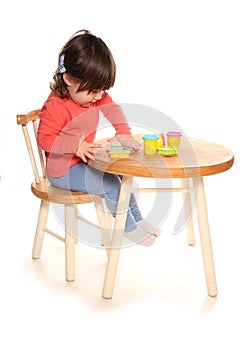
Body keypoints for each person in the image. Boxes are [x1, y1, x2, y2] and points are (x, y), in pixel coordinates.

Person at [37, 29, 161, 246]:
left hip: (84, 162)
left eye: (101, 91)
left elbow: (112, 109)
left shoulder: (95, 95)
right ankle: (127, 228)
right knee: (112, 184)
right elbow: (44, 139)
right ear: (68, 79)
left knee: (122, 176)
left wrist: (123, 133)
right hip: (62, 170)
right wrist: (76, 146)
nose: (98, 97)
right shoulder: (55, 106)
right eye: (94, 91)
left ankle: (137, 219)